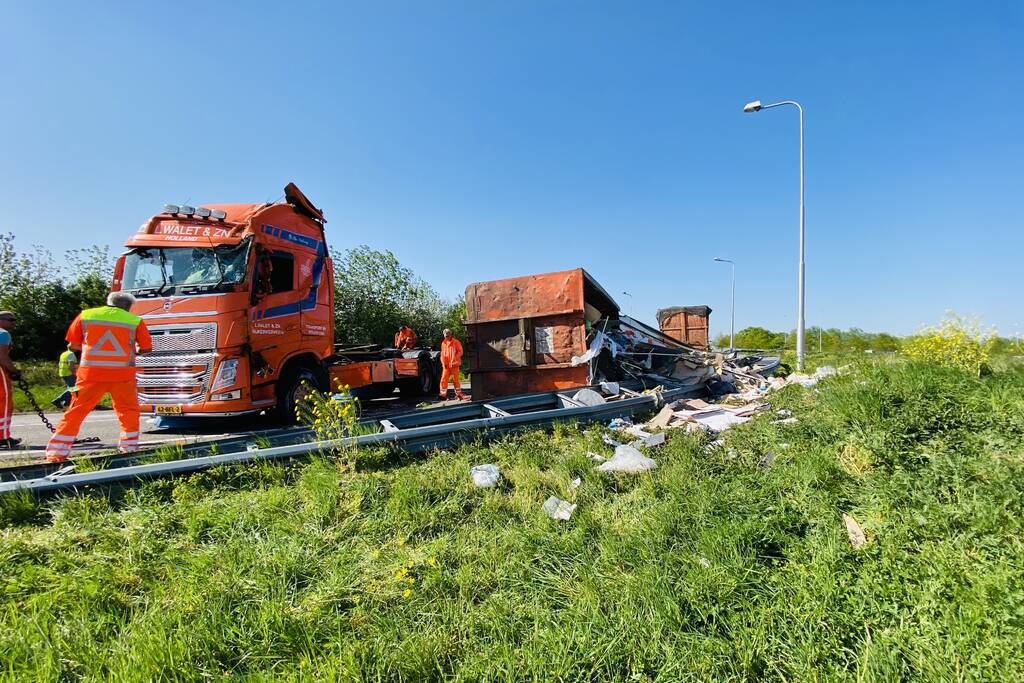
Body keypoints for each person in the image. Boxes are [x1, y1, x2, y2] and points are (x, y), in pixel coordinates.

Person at [44, 292, 153, 463]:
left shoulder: (86, 315)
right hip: (122, 376)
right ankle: (129, 449)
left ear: (109, 302)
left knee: (75, 412)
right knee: (128, 412)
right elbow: (146, 348)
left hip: (90, 375)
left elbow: (73, 345)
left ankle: (56, 454)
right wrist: (133, 349)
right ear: (127, 307)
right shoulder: (135, 321)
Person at [0, 311, 22, 449]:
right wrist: (14, 371)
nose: (13, 323)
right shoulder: (3, 334)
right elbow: (1, 356)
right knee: (4, 402)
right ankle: (2, 437)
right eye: (11, 320)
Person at [439, 328, 467, 401]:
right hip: (446, 366)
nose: (446, 337)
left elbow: (460, 352)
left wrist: (454, 359)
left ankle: (458, 394)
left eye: (447, 336)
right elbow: (442, 354)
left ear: (450, 335)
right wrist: (443, 363)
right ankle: (443, 395)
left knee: (456, 380)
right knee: (443, 380)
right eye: (445, 336)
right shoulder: (443, 343)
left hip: (454, 364)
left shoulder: (456, 342)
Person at [52, 343, 78, 409]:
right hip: (69, 373)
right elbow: (70, 365)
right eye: (76, 346)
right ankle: (57, 400)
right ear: (73, 347)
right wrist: (75, 373)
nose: (78, 347)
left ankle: (66, 402)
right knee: (72, 388)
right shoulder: (71, 354)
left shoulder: (63, 353)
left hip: (63, 373)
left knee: (69, 388)